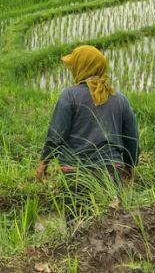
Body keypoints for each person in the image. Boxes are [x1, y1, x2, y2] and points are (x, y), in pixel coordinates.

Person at [36, 45, 139, 213]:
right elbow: (132, 138)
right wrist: (130, 166)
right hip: (110, 171)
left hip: (75, 174)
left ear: (82, 67)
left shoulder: (69, 96)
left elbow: (56, 135)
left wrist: (43, 163)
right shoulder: (120, 99)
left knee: (77, 227)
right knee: (111, 227)